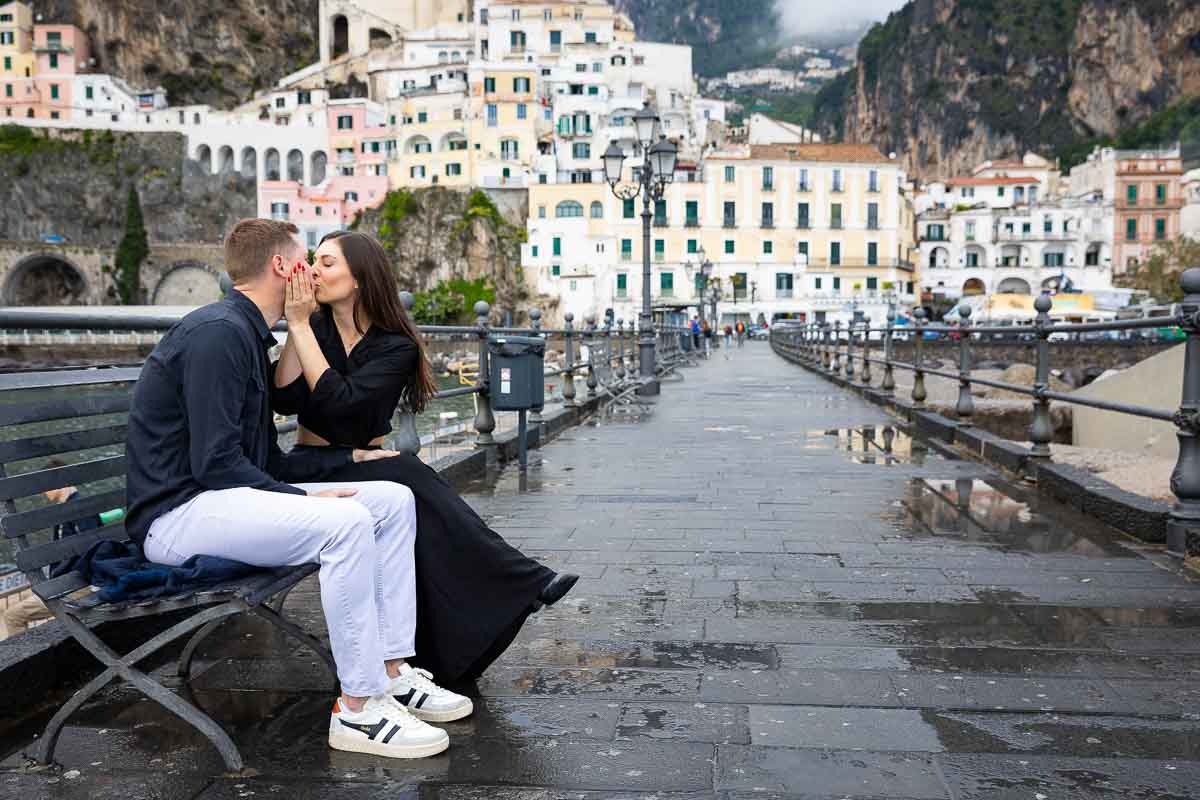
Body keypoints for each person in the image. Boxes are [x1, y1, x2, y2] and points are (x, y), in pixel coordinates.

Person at [125, 218, 470, 761]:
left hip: (219, 502)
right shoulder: (218, 334)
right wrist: (306, 498)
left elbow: (264, 461)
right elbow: (216, 465)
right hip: (178, 516)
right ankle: (358, 709)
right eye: (305, 259)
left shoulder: (247, 333)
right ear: (284, 268)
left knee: (392, 499)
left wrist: (345, 461)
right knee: (347, 524)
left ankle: (392, 669)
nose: (311, 270)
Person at [270, 230, 578, 685]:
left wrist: (302, 333)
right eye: (314, 261)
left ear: (358, 278)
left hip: (360, 460)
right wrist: (297, 327)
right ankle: (519, 579)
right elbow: (286, 398)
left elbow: (350, 409)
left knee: (417, 508)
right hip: (309, 463)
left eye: (328, 263)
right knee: (409, 473)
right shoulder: (311, 328)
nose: (313, 270)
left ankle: (467, 629)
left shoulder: (396, 345)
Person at [0, 461, 100, 640]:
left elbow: (90, 549)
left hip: (75, 586)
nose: (43, 491)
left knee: (12, 615)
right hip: (66, 582)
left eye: (44, 485)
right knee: (15, 603)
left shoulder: (77, 508)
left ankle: (27, 663)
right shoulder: (70, 507)